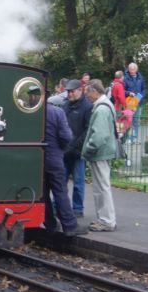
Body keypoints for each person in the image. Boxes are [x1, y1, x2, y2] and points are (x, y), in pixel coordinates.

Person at [37, 87, 85, 236]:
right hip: (54, 157)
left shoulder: (30, 113)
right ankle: (70, 225)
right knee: (60, 191)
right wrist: (62, 149)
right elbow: (66, 136)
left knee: (43, 193)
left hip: (36, 160)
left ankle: (50, 224)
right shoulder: (57, 112)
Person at [82, 79, 117, 232]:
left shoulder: (101, 109)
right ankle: (104, 219)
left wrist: (88, 150)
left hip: (99, 153)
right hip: (103, 152)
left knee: (102, 187)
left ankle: (107, 221)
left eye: (87, 93)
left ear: (95, 92)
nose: (86, 97)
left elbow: (99, 136)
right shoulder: (105, 105)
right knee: (101, 186)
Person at [62, 79, 92, 218]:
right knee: (61, 181)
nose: (69, 94)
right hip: (65, 150)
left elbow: (87, 130)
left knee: (78, 183)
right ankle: (60, 206)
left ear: (80, 90)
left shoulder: (87, 107)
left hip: (78, 152)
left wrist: (74, 145)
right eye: (68, 91)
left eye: (72, 91)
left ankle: (78, 209)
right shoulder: (66, 105)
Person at [123, 62, 146, 143]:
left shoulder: (141, 78)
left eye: (134, 69)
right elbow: (123, 90)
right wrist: (129, 93)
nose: (132, 71)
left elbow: (144, 89)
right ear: (128, 70)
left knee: (136, 120)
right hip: (129, 103)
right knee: (129, 120)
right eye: (131, 69)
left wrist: (141, 96)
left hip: (138, 103)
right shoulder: (125, 78)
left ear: (136, 69)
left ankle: (134, 137)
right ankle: (128, 138)